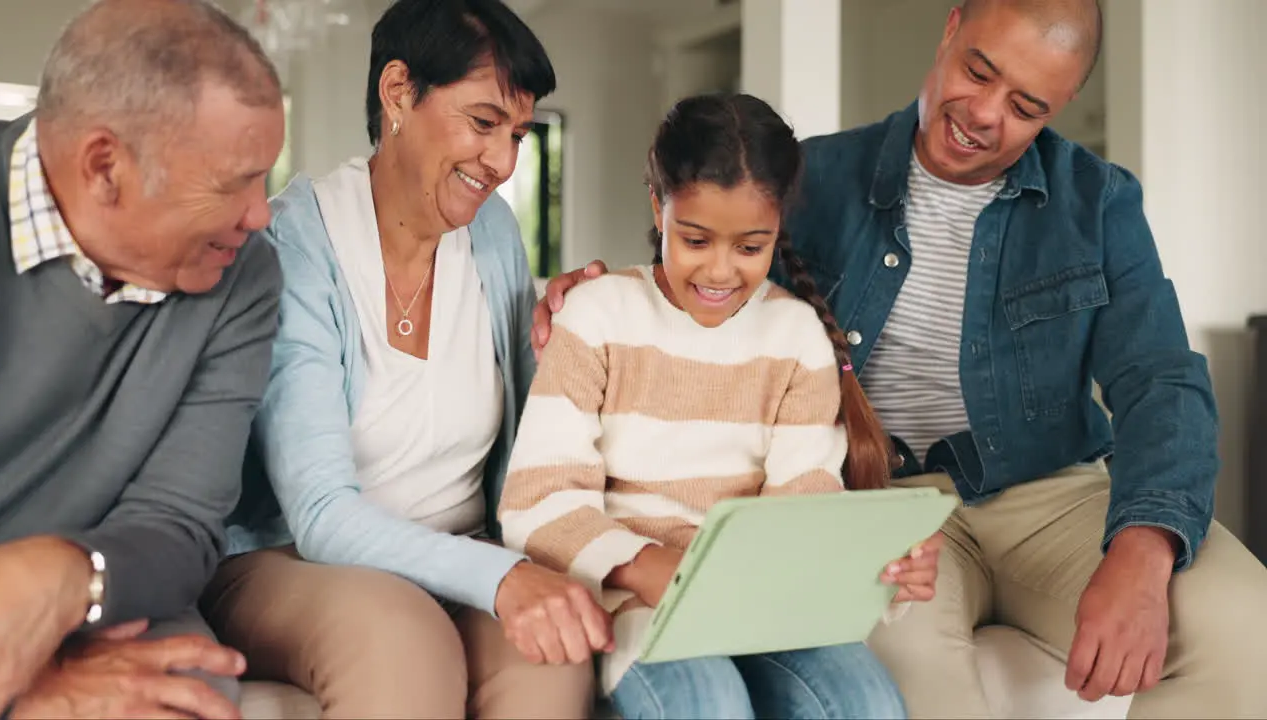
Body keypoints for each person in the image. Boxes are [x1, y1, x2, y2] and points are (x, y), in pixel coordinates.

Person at [534, 1, 1267, 717]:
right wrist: (599, 290)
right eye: (978, 71)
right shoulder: (811, 180)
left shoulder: (1099, 203)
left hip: (1057, 496)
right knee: (908, 676)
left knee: (1245, 626)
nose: (984, 114)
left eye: (1026, 105)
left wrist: (1143, 550)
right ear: (950, 29)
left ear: (1064, 102)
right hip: (887, 508)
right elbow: (701, 290)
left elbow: (1162, 380)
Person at [205, 1, 607, 717]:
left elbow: (526, 442)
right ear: (399, 92)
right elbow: (322, 513)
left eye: (518, 134)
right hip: (293, 557)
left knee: (548, 661)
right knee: (402, 641)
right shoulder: (296, 246)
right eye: (484, 123)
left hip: (465, 540)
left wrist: (571, 346)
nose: (504, 161)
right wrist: (503, 578)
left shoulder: (493, 238)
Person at [501, 92, 943, 720]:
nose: (719, 271)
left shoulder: (795, 338)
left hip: (766, 608)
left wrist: (884, 569)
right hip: (638, 603)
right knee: (710, 703)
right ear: (660, 208)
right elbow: (536, 503)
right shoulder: (598, 316)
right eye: (696, 239)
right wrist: (645, 566)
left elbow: (805, 510)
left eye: (749, 247)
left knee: (868, 701)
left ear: (777, 230)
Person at [0, 0, 286, 718]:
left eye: (264, 177)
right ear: (104, 166)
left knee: (183, 698)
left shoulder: (242, 276)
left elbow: (179, 525)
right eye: (232, 182)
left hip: (100, 598)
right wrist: (23, 677)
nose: (261, 214)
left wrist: (62, 579)